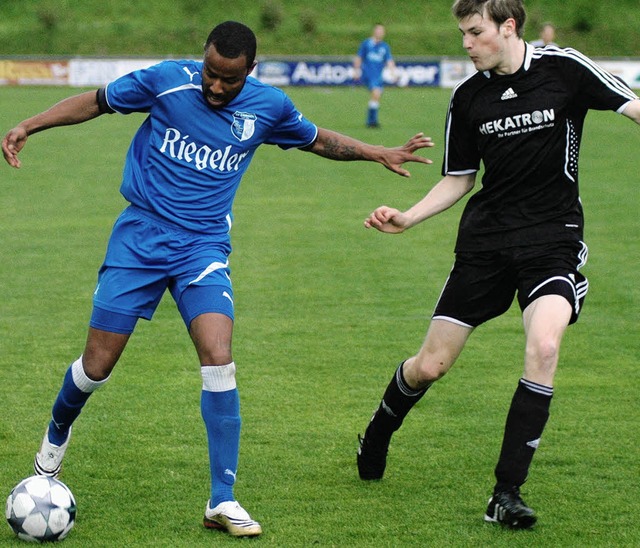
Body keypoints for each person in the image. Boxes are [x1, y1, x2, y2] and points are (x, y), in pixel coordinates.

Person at [2, 21, 433, 538]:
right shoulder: (167, 81)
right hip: (139, 238)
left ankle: (222, 500)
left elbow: (318, 140)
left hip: (203, 250)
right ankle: (52, 446)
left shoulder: (268, 106)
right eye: (210, 72)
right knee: (96, 366)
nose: (214, 87)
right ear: (201, 60)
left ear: (250, 71)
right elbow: (95, 101)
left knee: (218, 356)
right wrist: (30, 124)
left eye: (228, 79)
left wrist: (377, 152)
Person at [357, 0, 640, 530]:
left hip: (551, 240)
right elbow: (460, 177)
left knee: (545, 344)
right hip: (485, 245)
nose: (466, 44)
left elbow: (632, 105)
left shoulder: (564, 68)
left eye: (475, 32)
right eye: (462, 34)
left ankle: (506, 492)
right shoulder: (468, 97)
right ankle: (377, 432)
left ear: (508, 27)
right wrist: (409, 217)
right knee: (430, 366)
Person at [353, 23, 397, 128]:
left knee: (376, 97)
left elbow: (389, 60)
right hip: (368, 74)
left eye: (382, 31)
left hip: (378, 76)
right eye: (378, 30)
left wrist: (393, 72)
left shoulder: (384, 47)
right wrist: (356, 70)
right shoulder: (366, 44)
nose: (380, 33)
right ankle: (372, 121)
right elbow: (359, 57)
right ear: (374, 31)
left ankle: (371, 120)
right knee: (376, 94)